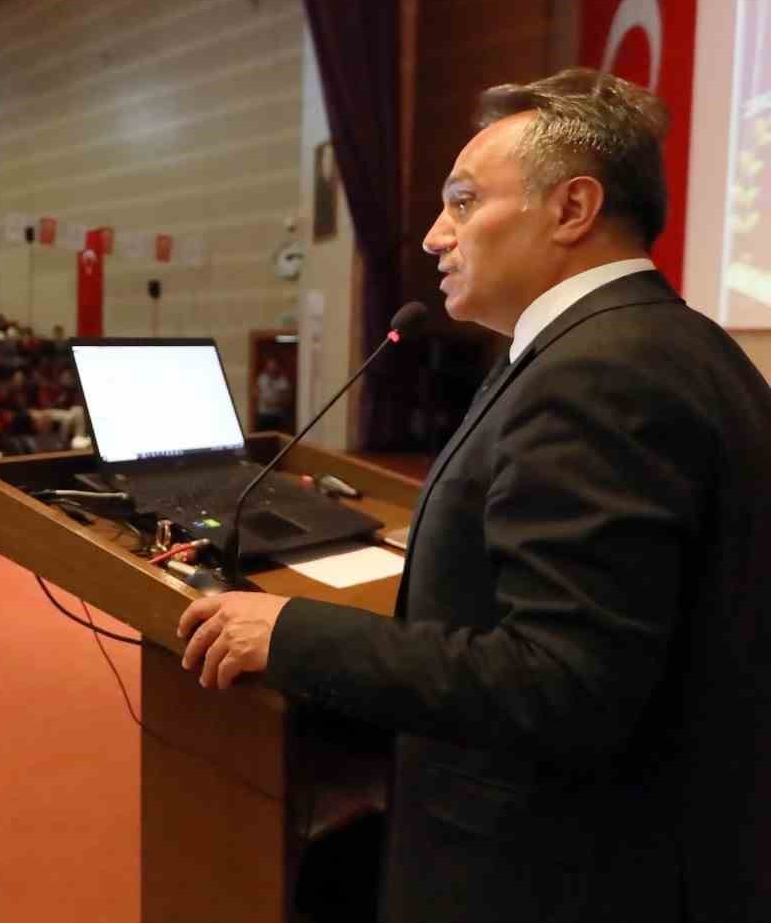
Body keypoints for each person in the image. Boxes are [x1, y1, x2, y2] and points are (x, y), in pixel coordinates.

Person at [177, 70, 771, 923]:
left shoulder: (600, 374)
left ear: (572, 209)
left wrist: (291, 632)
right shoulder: (662, 341)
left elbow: (563, 686)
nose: (431, 236)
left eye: (462, 203)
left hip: (566, 872)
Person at [253, 357, 294, 433]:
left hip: (277, 414)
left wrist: (277, 403)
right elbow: (255, 393)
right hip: (263, 413)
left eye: (274, 366)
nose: (272, 368)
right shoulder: (262, 378)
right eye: (270, 366)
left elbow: (287, 397)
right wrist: (261, 399)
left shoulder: (283, 380)